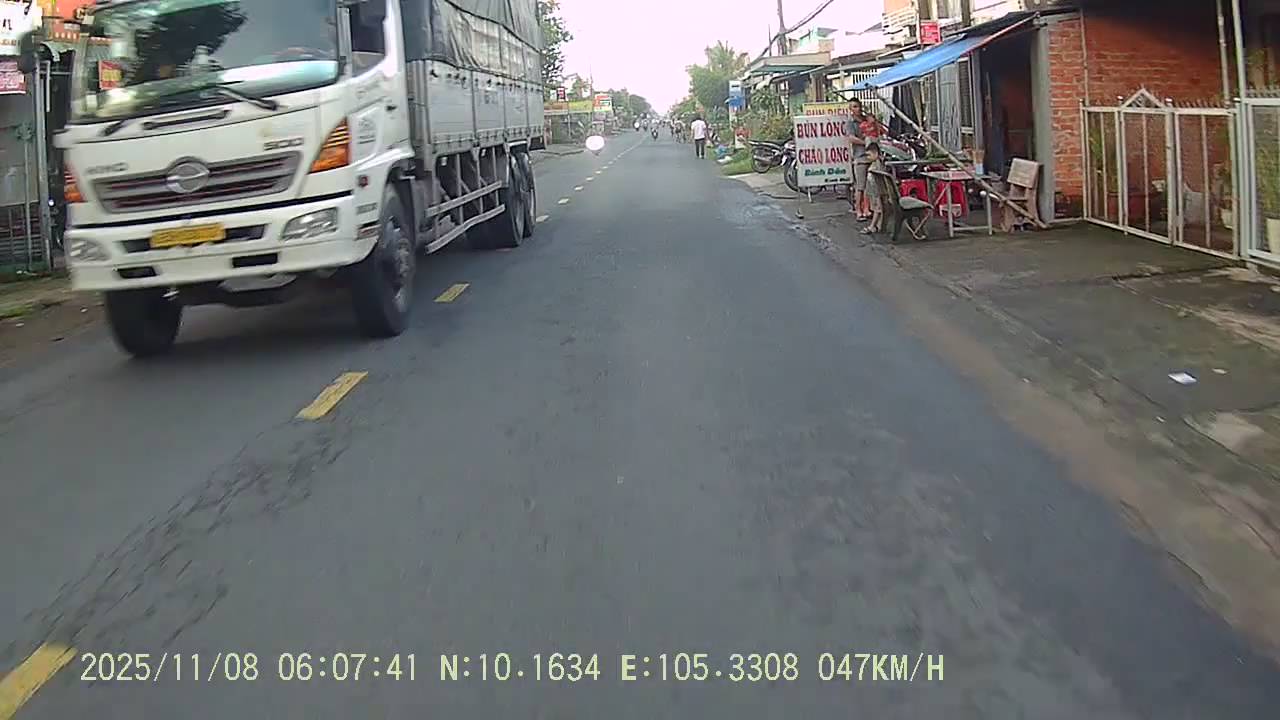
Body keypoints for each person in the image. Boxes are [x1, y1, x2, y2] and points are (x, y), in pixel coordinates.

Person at [847, 98, 871, 221]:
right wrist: (865, 143)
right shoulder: (851, 123)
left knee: (868, 186)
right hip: (860, 157)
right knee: (860, 186)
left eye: (858, 106)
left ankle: (866, 209)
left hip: (870, 155)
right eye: (854, 107)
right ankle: (858, 210)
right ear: (851, 109)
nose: (858, 109)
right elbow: (851, 138)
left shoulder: (866, 120)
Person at [862, 142, 888, 235]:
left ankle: (872, 226)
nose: (868, 157)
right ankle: (878, 226)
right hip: (874, 191)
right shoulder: (876, 163)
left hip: (878, 191)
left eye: (869, 155)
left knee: (878, 209)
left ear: (876, 153)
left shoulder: (878, 165)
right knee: (878, 209)